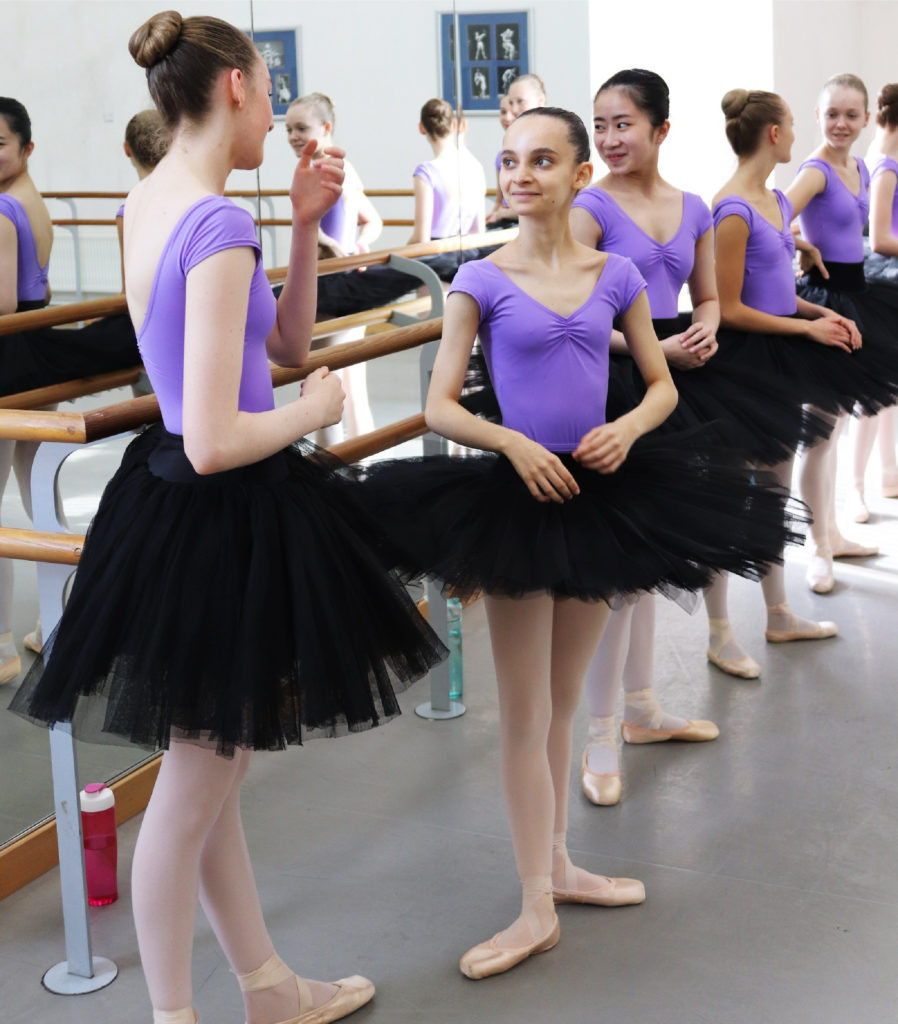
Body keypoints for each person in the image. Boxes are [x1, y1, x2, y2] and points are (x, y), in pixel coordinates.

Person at [9, 12, 445, 1023]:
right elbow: (215, 432)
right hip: (215, 507)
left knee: (211, 768)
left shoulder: (157, 202)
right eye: (270, 94)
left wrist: (300, 221)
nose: (280, 127)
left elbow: (286, 343)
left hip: (173, 503)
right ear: (238, 86)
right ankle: (178, 1013)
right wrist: (317, 414)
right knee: (193, 790)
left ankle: (265, 987)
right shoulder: (213, 222)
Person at [360, 106, 799, 979]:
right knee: (525, 715)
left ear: (577, 176)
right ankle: (533, 907)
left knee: (565, 705)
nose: (519, 174)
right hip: (519, 501)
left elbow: (663, 386)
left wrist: (628, 426)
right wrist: (512, 442)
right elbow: (441, 406)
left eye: (541, 160)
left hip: (603, 496)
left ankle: (558, 865)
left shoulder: (616, 275)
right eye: (509, 161)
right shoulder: (479, 281)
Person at [711, 87, 898, 657]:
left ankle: (779, 612)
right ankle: (720, 632)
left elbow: (779, 283)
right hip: (745, 362)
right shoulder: (733, 207)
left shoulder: (769, 200)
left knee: (775, 488)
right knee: (732, 496)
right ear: (776, 134)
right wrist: (808, 326)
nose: (801, 133)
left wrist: (816, 307)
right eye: (795, 122)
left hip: (786, 343)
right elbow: (730, 306)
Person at [787, 73, 893, 592]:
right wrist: (803, 249)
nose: (842, 124)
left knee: (837, 430)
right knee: (819, 433)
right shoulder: (816, 170)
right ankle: (817, 545)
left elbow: (862, 233)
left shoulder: (857, 166)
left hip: (860, 296)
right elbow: (770, 218)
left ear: (867, 118)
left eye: (852, 115)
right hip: (828, 305)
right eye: (832, 114)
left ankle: (831, 528)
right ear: (817, 116)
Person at [285, 93, 382, 443]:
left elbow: (325, 237)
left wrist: (340, 250)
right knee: (352, 388)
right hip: (346, 286)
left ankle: (334, 476)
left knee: (325, 385)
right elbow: (373, 222)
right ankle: (362, 468)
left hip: (328, 292)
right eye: (289, 129)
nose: (294, 136)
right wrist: (356, 248)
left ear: (326, 128)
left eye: (302, 128)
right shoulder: (345, 168)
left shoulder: (319, 171)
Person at [0, 96, 52, 685]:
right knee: (39, 495)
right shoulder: (32, 200)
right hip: (35, 354)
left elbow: (3, 303)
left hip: (9, 359)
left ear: (26, 147)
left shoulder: (3, 206)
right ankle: (58, 624)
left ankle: (3, 648)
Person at [852, 82, 898, 520]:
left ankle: (888, 475)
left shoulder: (882, 160)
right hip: (882, 283)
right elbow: (881, 238)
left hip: (887, 283)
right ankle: (857, 487)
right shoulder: (885, 166)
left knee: (888, 391)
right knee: (873, 394)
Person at [486, 74, 546, 226]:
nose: (513, 110)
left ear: (540, 101)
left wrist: (503, 213)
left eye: (520, 102)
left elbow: (545, 205)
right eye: (511, 103)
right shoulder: (507, 151)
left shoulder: (550, 145)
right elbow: (501, 200)